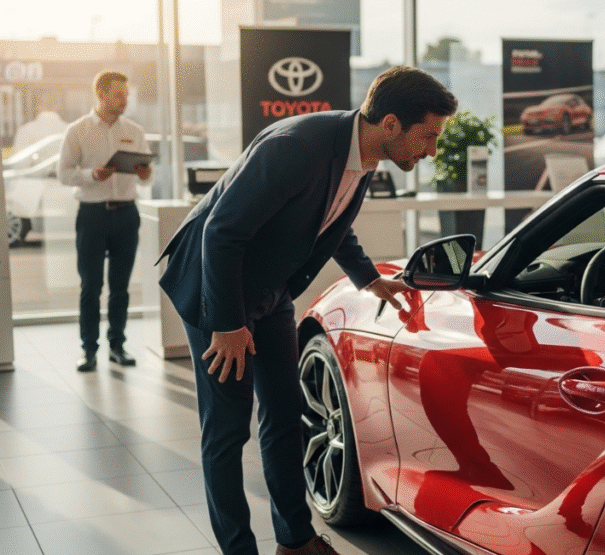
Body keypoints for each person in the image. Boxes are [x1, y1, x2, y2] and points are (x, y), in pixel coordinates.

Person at [158, 66, 458, 555]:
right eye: (428, 136)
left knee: (285, 415)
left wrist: (369, 279)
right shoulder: (297, 146)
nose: (431, 150)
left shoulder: (359, 154)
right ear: (390, 124)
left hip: (271, 290)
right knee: (228, 429)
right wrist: (228, 324)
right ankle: (238, 548)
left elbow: (331, 219)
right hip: (217, 290)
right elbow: (221, 232)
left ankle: (295, 541)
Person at [57, 70, 153, 372]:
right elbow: (63, 173)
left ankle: (117, 346)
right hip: (92, 215)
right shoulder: (78, 130)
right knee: (91, 286)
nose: (125, 100)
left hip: (126, 213)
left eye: (126, 94)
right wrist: (91, 175)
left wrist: (145, 174)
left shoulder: (135, 131)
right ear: (101, 95)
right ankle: (88, 350)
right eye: (119, 95)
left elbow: (147, 176)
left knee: (121, 287)